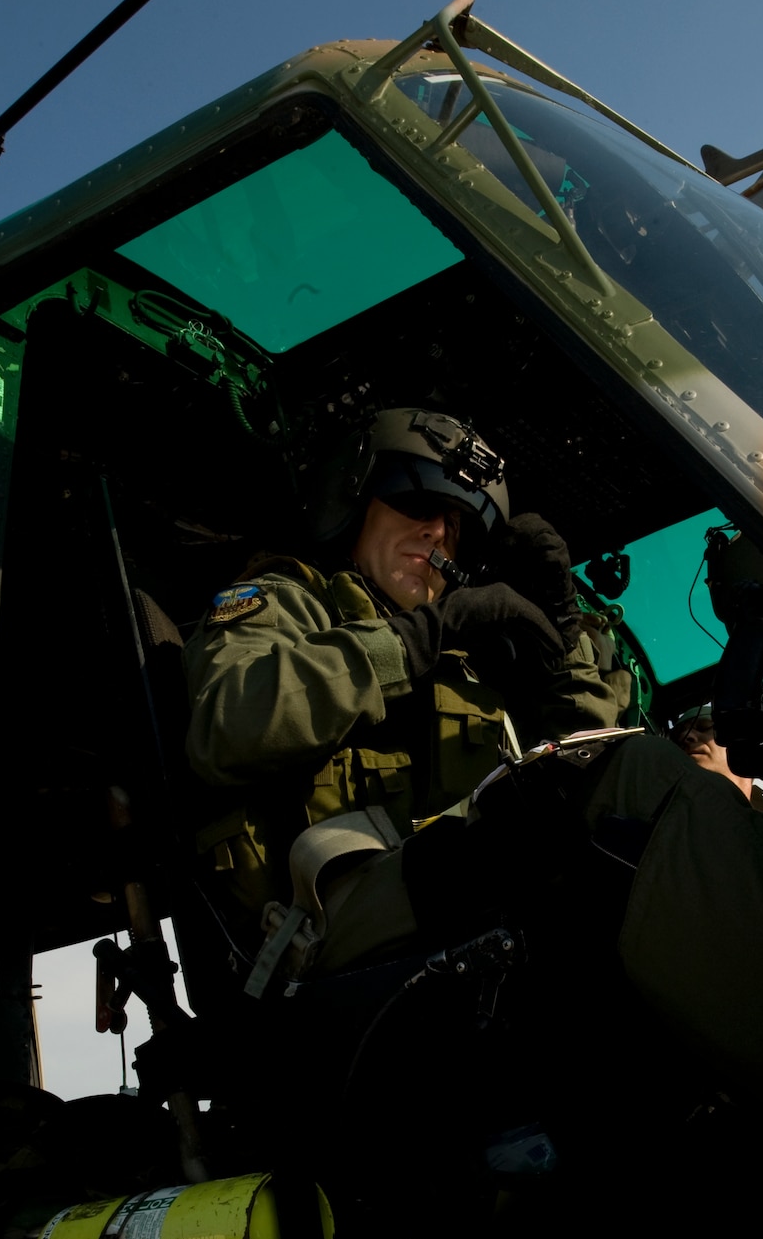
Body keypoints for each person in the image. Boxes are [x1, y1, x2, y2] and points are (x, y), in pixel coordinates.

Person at [184, 407, 621, 981]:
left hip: (469, 920)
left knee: (626, 814)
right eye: (418, 505)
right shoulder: (288, 604)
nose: (438, 532)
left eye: (456, 524)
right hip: (327, 938)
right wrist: (422, 634)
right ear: (355, 504)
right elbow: (228, 727)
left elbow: (593, 769)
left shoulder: (472, 665)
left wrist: (562, 641)